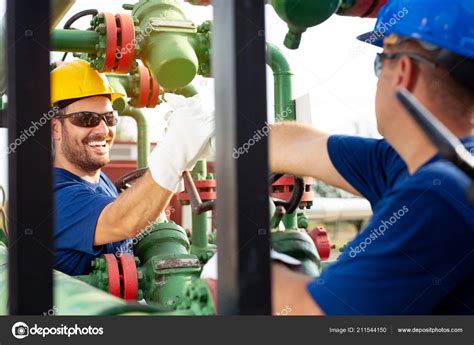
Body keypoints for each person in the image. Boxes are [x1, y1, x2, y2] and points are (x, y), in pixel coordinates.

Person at [269, 0, 474, 314]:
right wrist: (221, 136)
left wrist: (240, 262)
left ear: (403, 71)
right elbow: (302, 145)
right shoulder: (406, 160)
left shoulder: (440, 191)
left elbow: (308, 314)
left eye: (380, 63)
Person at [51, 59, 214, 275]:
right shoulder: (54, 197)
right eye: (86, 119)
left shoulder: (99, 181)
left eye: (109, 118)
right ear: (56, 129)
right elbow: (123, 222)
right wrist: (175, 150)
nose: (103, 129)